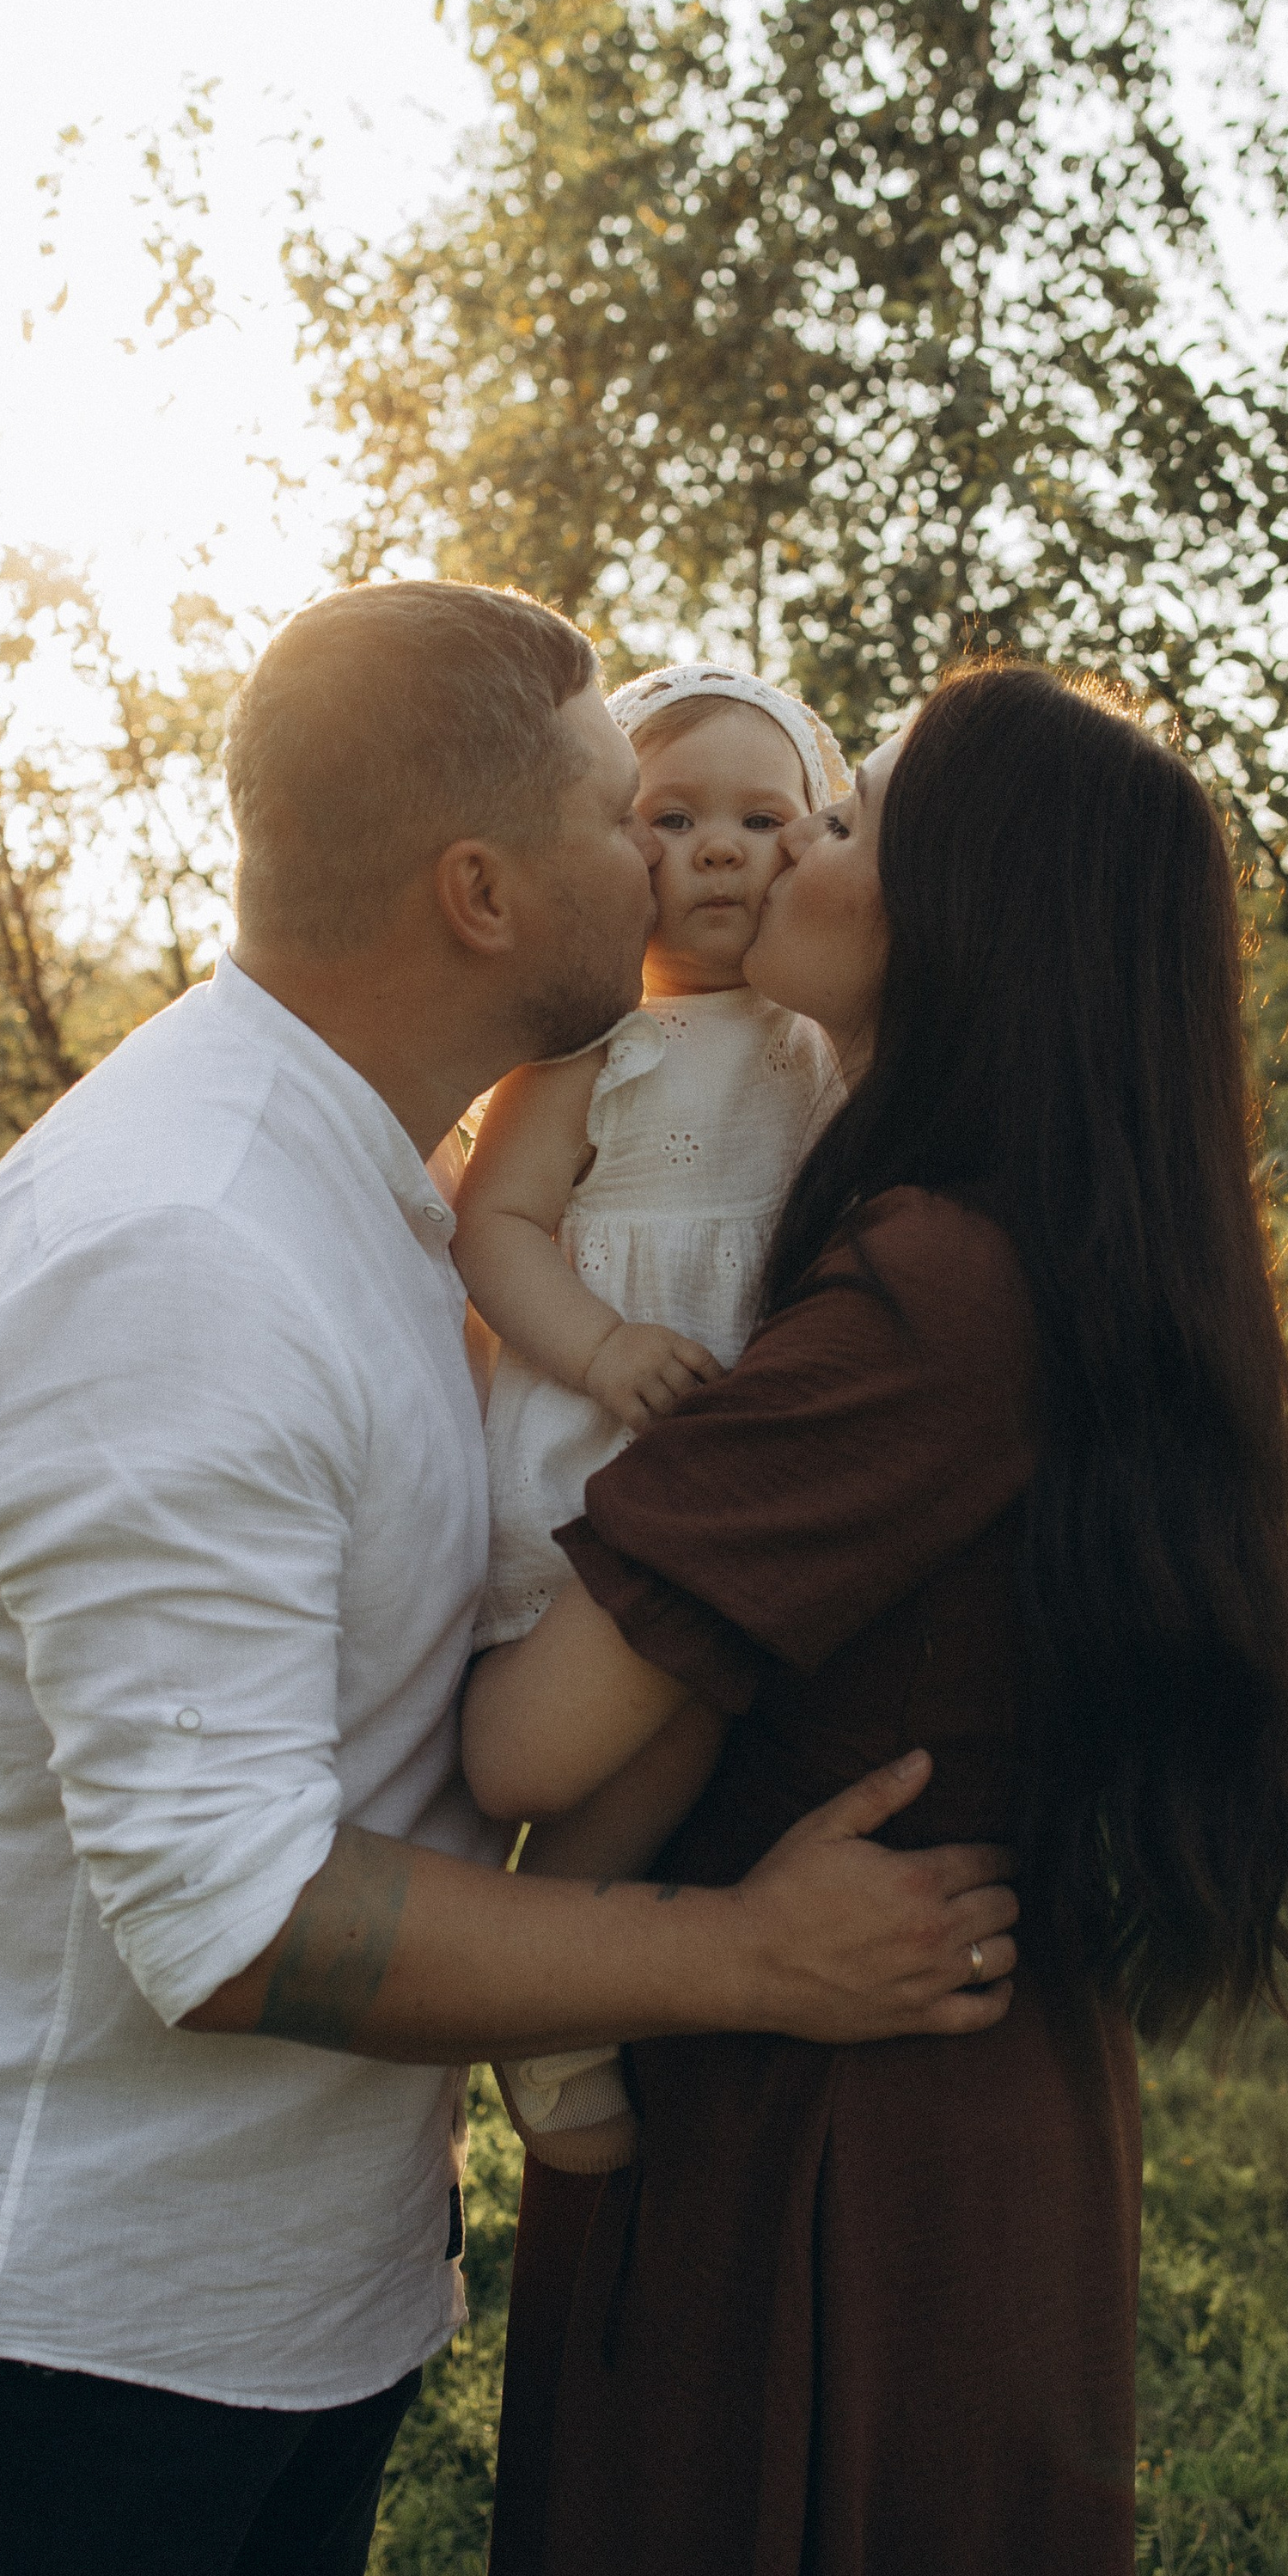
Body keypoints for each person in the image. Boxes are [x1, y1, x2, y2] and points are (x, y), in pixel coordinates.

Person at [0, 582, 1022, 2576]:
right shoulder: (181, 1251)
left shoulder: (375, 1174)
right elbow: (234, 1920)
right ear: (481, 891)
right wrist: (742, 1961)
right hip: (75, 2305)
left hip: (286, 2270)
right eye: (604, 801)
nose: (662, 850)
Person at [440, 660, 1288, 2576]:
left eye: (847, 828)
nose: (786, 855)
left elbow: (532, 1747)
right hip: (921, 2081)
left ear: (963, 920)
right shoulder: (1032, 1231)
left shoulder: (933, 1288)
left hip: (823, 2134)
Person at [453, 662, 848, 2167]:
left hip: (732, 1451)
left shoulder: (813, 1040)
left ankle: (560, 1968)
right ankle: (545, 1994)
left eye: (766, 816)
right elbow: (499, 1227)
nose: (724, 849)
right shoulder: (590, 1040)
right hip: (593, 1442)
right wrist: (603, 1345)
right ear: (611, 851)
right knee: (649, 1708)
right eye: (673, 817)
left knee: (695, 1726)